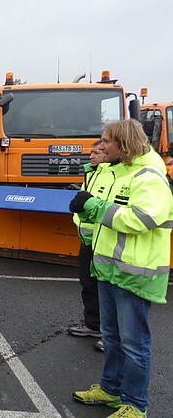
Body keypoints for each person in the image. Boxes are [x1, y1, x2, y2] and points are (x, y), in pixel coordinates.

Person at [70, 120, 172, 418]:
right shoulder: (116, 171)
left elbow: (142, 219)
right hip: (108, 270)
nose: (100, 146)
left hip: (134, 274)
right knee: (112, 338)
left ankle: (136, 404)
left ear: (123, 144)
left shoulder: (149, 176)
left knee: (134, 344)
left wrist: (95, 207)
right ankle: (111, 390)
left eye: (105, 141)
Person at [69, 140, 106, 351]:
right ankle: (93, 325)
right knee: (88, 284)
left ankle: (112, 336)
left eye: (96, 152)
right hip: (88, 241)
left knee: (108, 291)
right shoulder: (92, 174)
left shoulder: (110, 177)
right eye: (90, 152)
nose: (90, 156)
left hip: (103, 242)